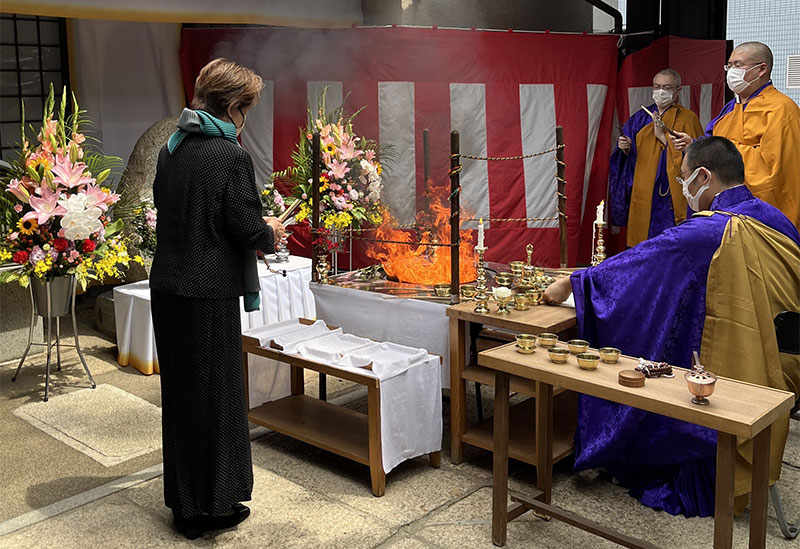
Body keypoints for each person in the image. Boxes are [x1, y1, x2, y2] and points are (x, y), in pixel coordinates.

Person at [545, 136, 800, 517]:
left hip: (742, 376)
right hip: (785, 364)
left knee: (655, 350)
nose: (683, 189)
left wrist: (574, 283)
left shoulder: (707, 232)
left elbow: (633, 267)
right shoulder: (775, 217)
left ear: (702, 176)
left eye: (683, 179)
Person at [150, 58, 286, 539]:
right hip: (207, 294)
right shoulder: (228, 156)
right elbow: (246, 227)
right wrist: (270, 229)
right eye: (245, 109)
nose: (242, 119)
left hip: (168, 288)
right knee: (218, 398)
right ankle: (213, 506)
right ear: (231, 106)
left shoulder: (174, 146)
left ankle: (185, 503)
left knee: (183, 397)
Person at [671, 42, 800, 227]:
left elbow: (778, 175)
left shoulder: (781, 109)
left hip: (758, 215)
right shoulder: (729, 109)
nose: (731, 71)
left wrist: (722, 155)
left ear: (761, 69)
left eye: (738, 65)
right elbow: (713, 142)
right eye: (729, 66)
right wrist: (694, 145)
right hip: (722, 212)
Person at [609, 69, 703, 247]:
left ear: (678, 90)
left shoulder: (687, 118)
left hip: (670, 192)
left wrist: (662, 137)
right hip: (644, 188)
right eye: (657, 86)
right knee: (642, 242)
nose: (661, 92)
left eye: (667, 87)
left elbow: (695, 156)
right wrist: (625, 148)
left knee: (670, 243)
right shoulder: (641, 117)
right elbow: (630, 157)